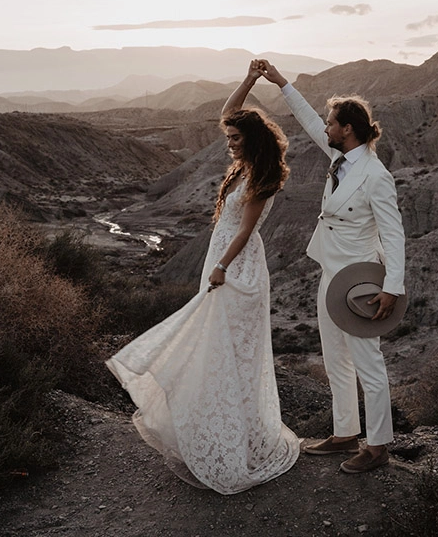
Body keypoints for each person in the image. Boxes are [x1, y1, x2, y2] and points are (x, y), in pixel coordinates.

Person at [106, 63, 300, 494]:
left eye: (235, 139)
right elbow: (229, 112)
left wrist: (221, 268)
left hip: (238, 268)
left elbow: (246, 231)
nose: (228, 142)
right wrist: (250, 80)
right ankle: (213, 431)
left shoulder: (261, 178)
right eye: (230, 137)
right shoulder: (245, 162)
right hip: (223, 260)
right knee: (215, 350)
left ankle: (237, 443)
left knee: (227, 353)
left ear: (252, 142)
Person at [257, 59, 405, 474]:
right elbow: (306, 120)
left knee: (368, 364)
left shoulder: (375, 175)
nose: (325, 128)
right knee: (334, 359)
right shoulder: (340, 158)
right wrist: (282, 82)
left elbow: (394, 235)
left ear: (348, 129)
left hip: (359, 283)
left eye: (331, 123)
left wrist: (392, 287)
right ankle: (345, 434)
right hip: (329, 273)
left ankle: (377, 447)